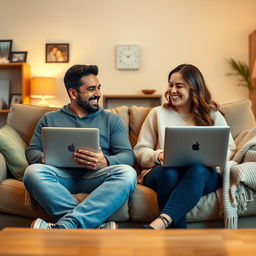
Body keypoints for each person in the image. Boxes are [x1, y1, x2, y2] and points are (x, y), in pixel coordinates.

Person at [24, 64, 137, 229]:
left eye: (98, 88)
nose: (97, 93)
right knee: (32, 172)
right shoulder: (49, 119)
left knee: (128, 173)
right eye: (91, 89)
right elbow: (32, 151)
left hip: (96, 177)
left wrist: (105, 161)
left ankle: (65, 226)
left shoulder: (111, 119)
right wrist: (42, 158)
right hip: (59, 177)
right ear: (73, 93)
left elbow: (128, 155)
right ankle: (93, 226)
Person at [134, 64, 236, 229]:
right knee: (170, 172)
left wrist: (210, 159)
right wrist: (158, 156)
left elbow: (229, 149)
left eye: (179, 86)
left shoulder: (212, 115)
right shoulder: (157, 113)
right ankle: (173, 229)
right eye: (170, 84)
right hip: (163, 171)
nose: (173, 90)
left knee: (197, 169)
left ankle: (164, 223)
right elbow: (139, 151)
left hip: (201, 175)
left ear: (194, 89)